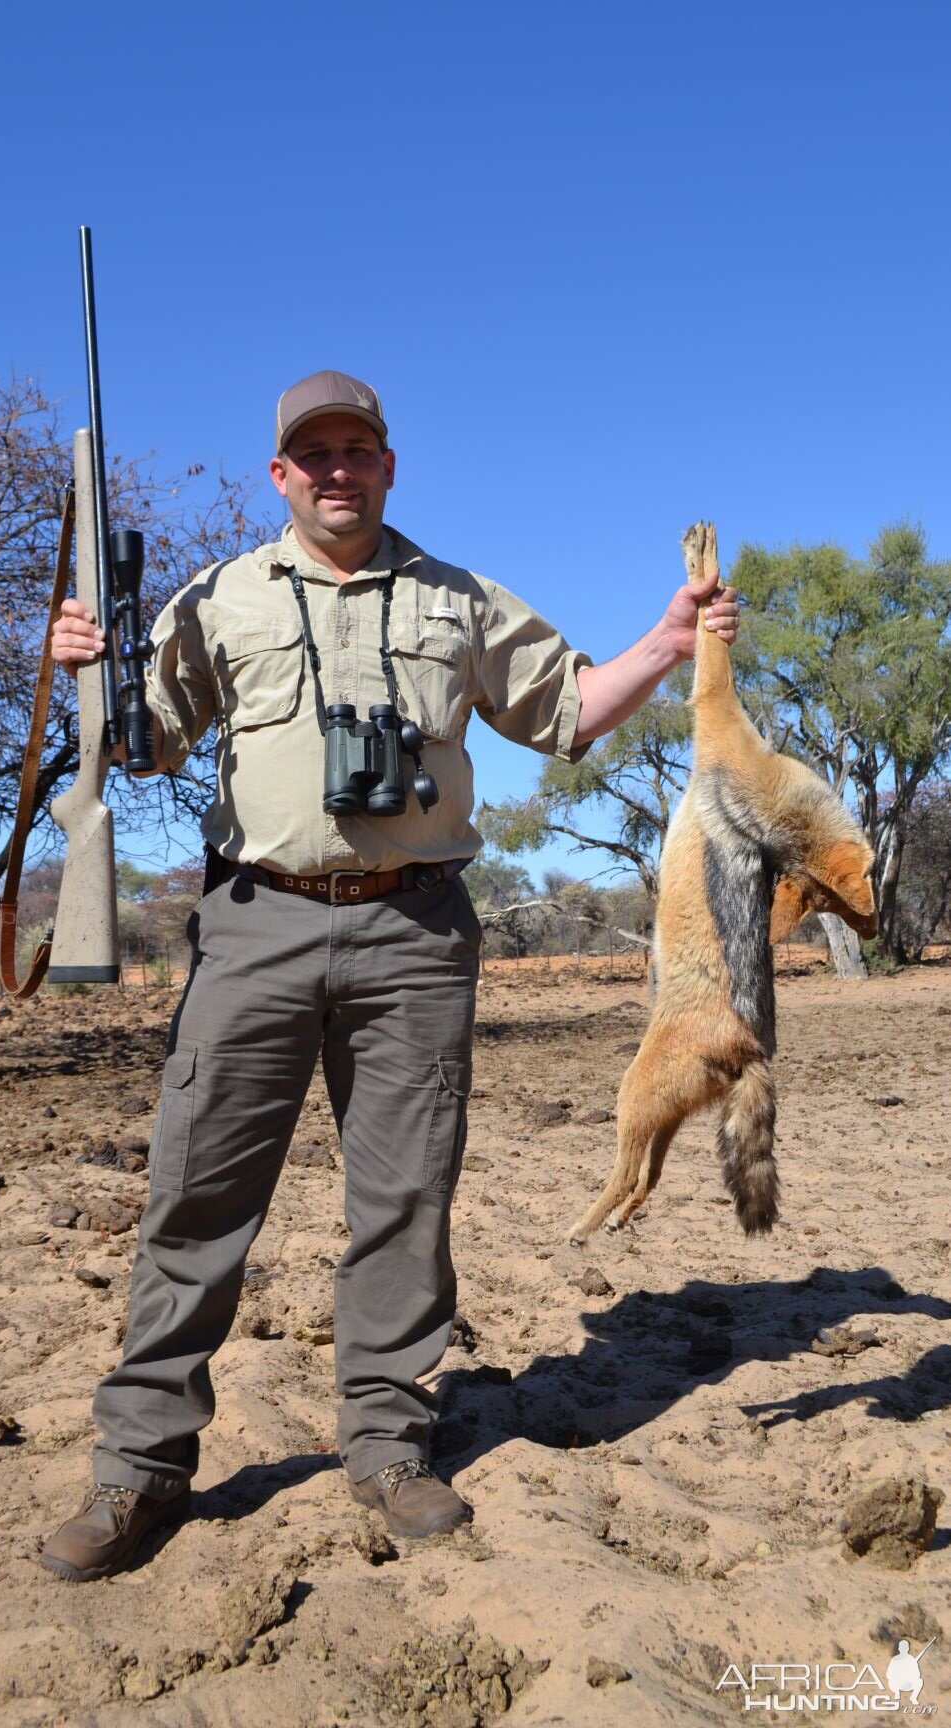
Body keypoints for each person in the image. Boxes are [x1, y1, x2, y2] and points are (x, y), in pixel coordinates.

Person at [41, 369, 739, 1582]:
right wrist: (87, 671)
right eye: (310, 453)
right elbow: (143, 743)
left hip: (414, 934)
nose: (333, 470)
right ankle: (136, 1469)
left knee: (404, 1204)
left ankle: (389, 1447)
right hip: (253, 923)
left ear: (387, 464)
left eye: (355, 448)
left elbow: (567, 711)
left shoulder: (456, 598)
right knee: (195, 1199)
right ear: (279, 475)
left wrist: (666, 643)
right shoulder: (216, 599)